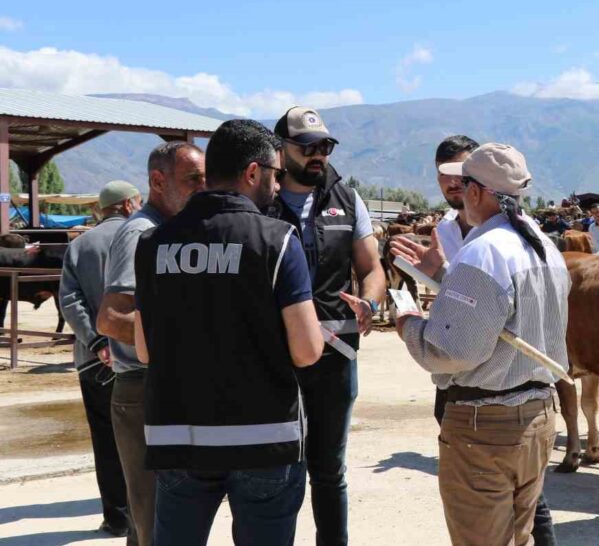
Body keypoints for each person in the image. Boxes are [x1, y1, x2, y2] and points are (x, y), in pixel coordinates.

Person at [133, 119, 323, 545]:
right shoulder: (277, 240)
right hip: (265, 438)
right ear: (252, 173)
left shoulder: (153, 244)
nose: (278, 186)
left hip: (178, 437)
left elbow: (144, 351)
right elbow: (308, 350)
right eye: (275, 175)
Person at [386, 143, 568, 546]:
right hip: (537, 415)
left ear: (476, 192)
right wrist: (446, 275)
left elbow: (452, 352)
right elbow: (505, 315)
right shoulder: (542, 245)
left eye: (463, 181)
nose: (456, 188)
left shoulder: (483, 252)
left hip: (484, 428)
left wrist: (408, 323)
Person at [268, 106, 386, 546]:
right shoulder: (260, 200)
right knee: (278, 468)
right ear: (282, 150)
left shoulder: (347, 199)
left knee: (329, 471)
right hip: (275, 358)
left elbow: (373, 268)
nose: (319, 155)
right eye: (308, 147)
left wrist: (370, 301)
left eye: (326, 147)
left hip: (337, 356)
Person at [97, 141, 206, 546]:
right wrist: (180, 344)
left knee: (157, 519)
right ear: (158, 182)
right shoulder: (141, 233)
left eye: (206, 178)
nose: (203, 187)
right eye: (192, 179)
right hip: (141, 389)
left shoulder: (173, 230)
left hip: (162, 386)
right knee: (152, 517)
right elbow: (110, 316)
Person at [59, 180, 142, 540]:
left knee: (106, 441)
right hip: (140, 359)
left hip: (93, 362)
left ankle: (116, 517)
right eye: (137, 201)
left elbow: (70, 301)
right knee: (144, 441)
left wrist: (95, 342)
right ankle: (146, 516)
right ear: (126, 205)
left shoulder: (79, 246)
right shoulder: (143, 237)